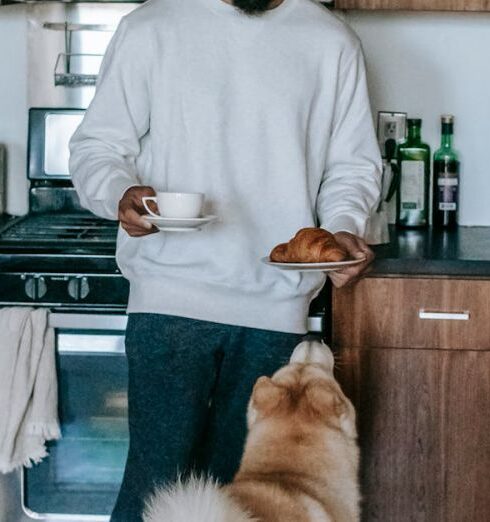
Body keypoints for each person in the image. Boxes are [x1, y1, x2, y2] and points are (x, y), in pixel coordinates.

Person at [69, 0, 382, 520]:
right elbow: (97, 147)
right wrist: (119, 192)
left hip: (275, 310)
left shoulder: (332, 41)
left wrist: (343, 231)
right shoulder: (152, 25)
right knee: (156, 495)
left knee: (252, 505)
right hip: (168, 306)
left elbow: (351, 167)